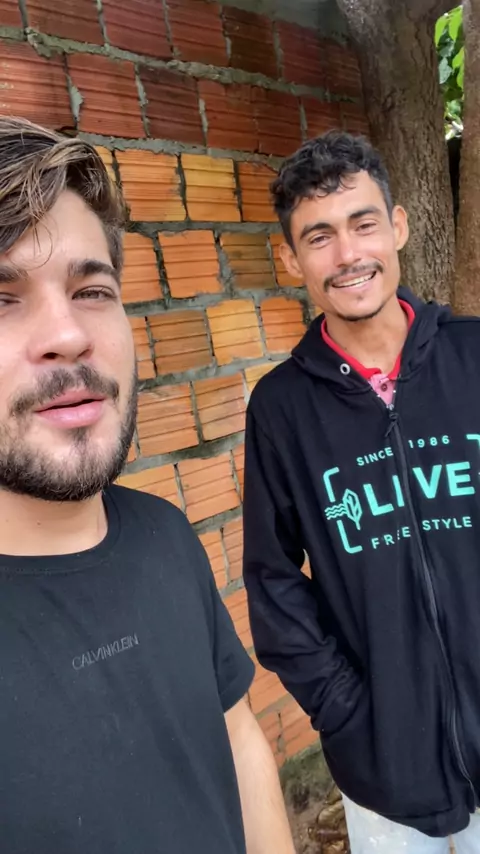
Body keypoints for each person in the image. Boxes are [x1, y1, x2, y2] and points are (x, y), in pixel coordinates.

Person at [0, 116, 295, 854]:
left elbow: (236, 737)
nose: (69, 335)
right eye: (2, 299)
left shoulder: (164, 533)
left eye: (91, 290)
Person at [242, 131, 480, 853]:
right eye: (319, 237)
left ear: (398, 226)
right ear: (291, 259)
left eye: (363, 223)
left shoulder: (474, 357)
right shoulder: (281, 408)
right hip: (384, 779)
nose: (348, 254)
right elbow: (274, 583)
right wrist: (350, 716)